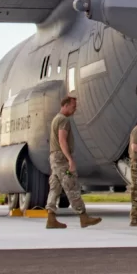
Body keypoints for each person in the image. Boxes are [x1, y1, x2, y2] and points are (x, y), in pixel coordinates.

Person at [45, 96, 101, 230]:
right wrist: (70, 159)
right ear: (65, 105)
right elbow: (62, 140)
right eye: (73, 106)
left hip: (54, 157)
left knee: (55, 187)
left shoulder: (56, 119)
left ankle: (51, 218)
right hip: (60, 157)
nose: (74, 109)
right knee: (72, 185)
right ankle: (83, 216)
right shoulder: (63, 120)